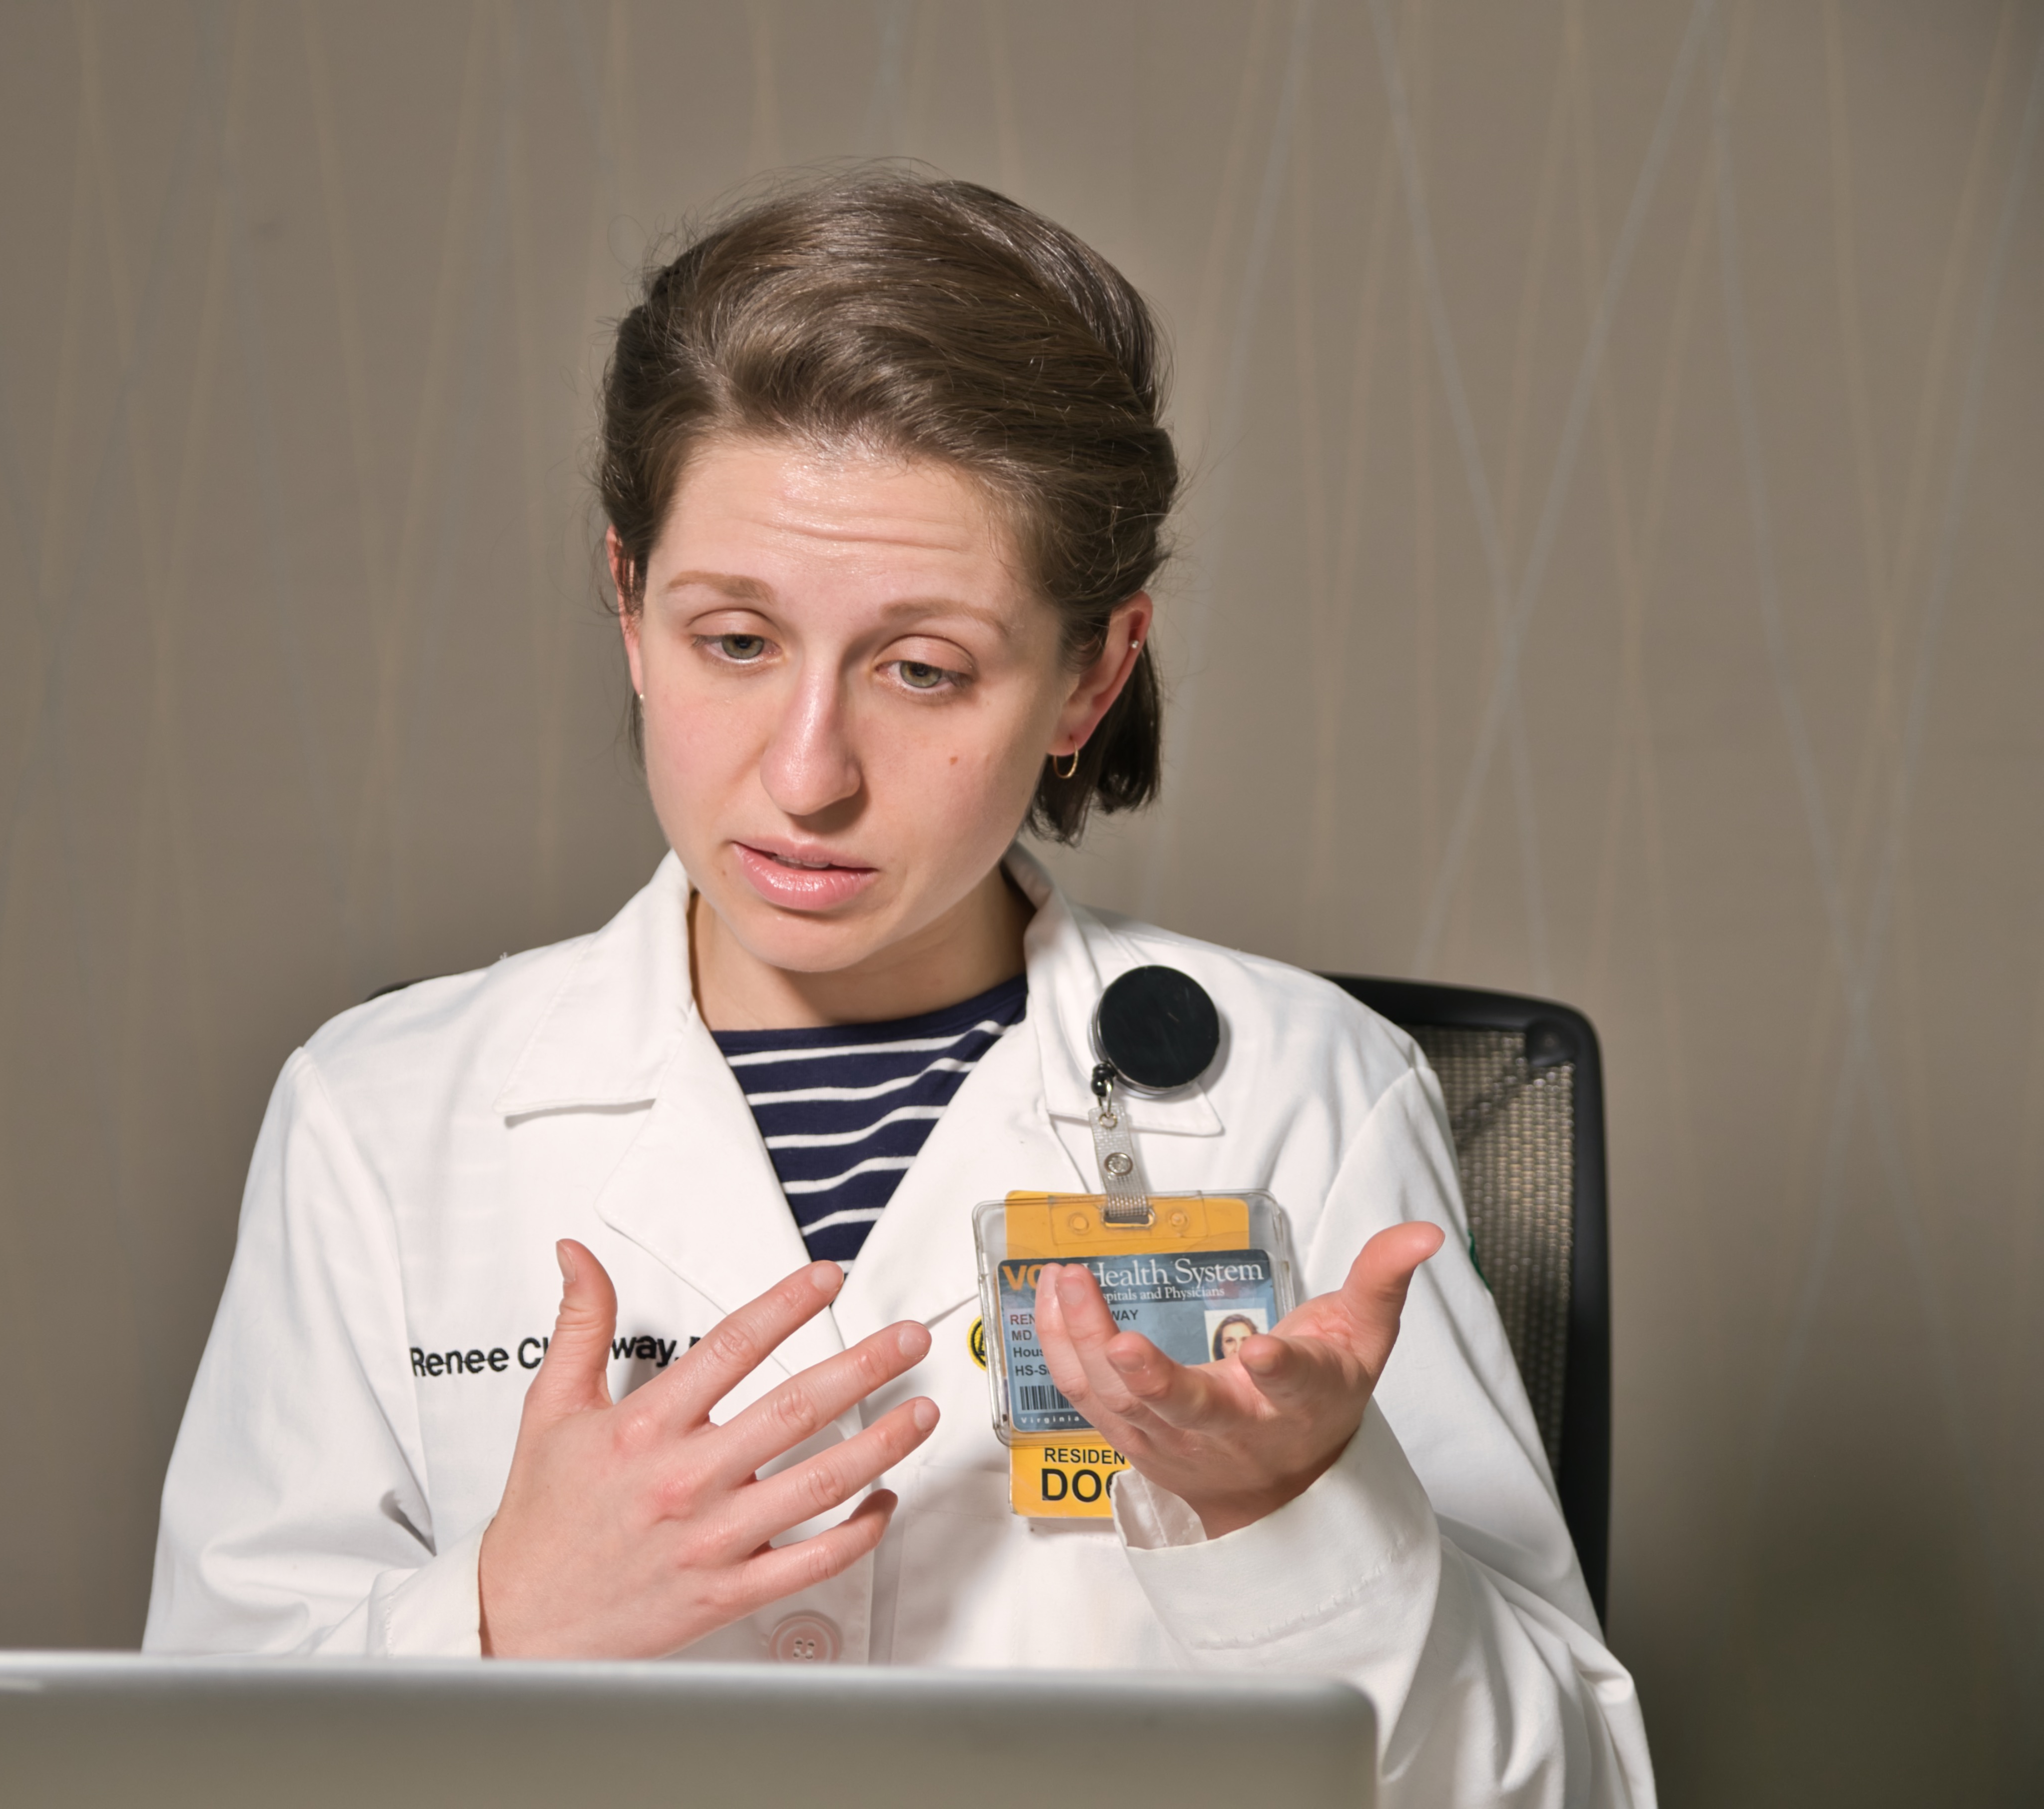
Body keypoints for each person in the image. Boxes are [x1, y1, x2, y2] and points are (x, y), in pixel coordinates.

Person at [146, 172, 1652, 1808]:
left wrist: (1296, 1515)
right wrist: (507, 1622)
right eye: (733, 641)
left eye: (923, 669)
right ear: (628, 604)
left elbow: (1566, 1787)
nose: (806, 777)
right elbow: (172, 1775)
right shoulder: (383, 1116)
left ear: (1093, 672)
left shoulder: (1300, 1092)